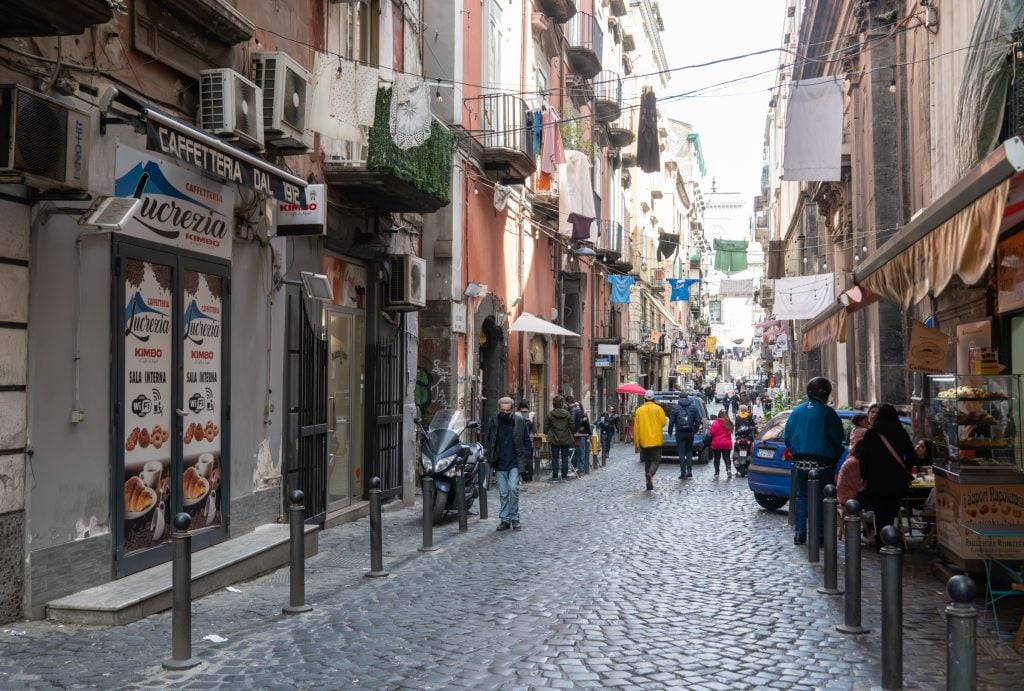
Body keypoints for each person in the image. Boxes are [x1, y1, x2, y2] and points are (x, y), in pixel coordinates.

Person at [783, 377, 844, 545]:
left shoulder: (796, 411)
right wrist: (836, 455)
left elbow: (787, 437)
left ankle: (800, 533)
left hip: (801, 462)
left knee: (802, 497)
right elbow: (837, 437)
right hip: (823, 463)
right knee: (824, 498)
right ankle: (821, 535)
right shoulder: (827, 412)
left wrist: (796, 453)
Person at [858, 403, 916, 548]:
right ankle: (892, 539)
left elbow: (864, 458)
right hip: (896, 481)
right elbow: (911, 455)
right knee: (892, 512)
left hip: (876, 480)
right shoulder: (900, 432)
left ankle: (880, 541)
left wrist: (865, 476)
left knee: (879, 512)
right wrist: (905, 469)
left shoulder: (871, 434)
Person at [484, 396, 531, 531]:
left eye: (508, 410)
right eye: (503, 410)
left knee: (513, 489)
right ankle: (505, 519)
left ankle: (515, 518)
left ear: (512, 409)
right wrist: (489, 453)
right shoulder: (494, 420)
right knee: (503, 493)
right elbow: (489, 438)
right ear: (499, 409)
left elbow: (527, 441)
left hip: (515, 461)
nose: (505, 413)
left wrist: (525, 456)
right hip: (500, 461)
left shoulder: (520, 421)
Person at [633, 390, 667, 491]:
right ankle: (651, 474)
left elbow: (636, 428)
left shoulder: (639, 410)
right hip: (656, 440)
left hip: (644, 441)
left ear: (644, 398)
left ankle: (648, 481)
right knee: (656, 459)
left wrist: (636, 443)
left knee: (647, 460)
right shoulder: (658, 409)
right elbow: (663, 423)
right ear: (653, 399)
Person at [835, 413, 869, 505]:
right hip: (849, 497)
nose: (868, 422)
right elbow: (859, 486)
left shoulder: (854, 430)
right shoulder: (864, 431)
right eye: (866, 420)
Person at [668, 395, 702, 478]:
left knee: (681, 453)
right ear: (687, 398)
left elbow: (671, 421)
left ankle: (683, 473)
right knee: (689, 451)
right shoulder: (693, 407)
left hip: (680, 433)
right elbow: (698, 420)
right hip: (690, 432)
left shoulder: (676, 408)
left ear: (679, 398)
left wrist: (670, 431)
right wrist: (695, 430)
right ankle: (689, 471)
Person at [544, 396, 574, 482]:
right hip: (565, 438)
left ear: (554, 404)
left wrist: (549, 433)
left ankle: (555, 476)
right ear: (562, 403)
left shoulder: (550, 414)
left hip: (554, 438)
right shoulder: (567, 414)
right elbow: (572, 425)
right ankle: (564, 476)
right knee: (565, 458)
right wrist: (570, 432)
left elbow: (546, 427)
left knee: (555, 458)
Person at [707, 409, 735, 478]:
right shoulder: (729, 423)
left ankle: (717, 473)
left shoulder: (715, 423)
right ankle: (728, 469)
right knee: (727, 458)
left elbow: (711, 433)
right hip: (726, 444)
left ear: (719, 414)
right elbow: (731, 431)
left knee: (716, 459)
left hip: (717, 444)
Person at [517, 400, 536, 482]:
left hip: (518, 440)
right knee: (529, 458)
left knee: (519, 457)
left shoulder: (516, 415)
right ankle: (529, 476)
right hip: (529, 440)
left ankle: (522, 475)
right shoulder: (532, 415)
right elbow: (534, 429)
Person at [575, 407, 593, 473]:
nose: (576, 407)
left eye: (578, 406)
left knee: (581, 450)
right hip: (576, 435)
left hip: (582, 434)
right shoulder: (573, 413)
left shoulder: (583, 414)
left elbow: (587, 425)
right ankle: (579, 466)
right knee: (578, 451)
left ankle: (582, 466)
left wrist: (590, 434)